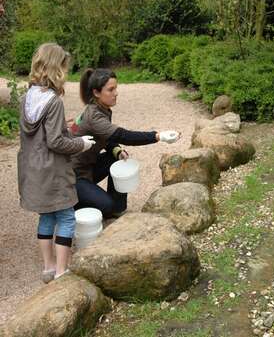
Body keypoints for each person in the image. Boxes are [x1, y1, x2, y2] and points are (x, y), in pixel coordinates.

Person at [17, 43, 95, 283]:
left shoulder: (26, 97)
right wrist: (81, 143)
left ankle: (48, 267)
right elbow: (55, 142)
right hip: (52, 171)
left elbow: (41, 134)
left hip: (32, 170)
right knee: (66, 217)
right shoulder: (53, 102)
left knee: (47, 216)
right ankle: (62, 271)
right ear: (56, 68)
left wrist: (62, 125)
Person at [71, 68, 180, 218]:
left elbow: (106, 137)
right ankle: (73, 204)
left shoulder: (101, 108)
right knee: (106, 206)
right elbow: (123, 136)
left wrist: (116, 150)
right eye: (111, 89)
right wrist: (157, 136)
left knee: (117, 158)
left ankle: (116, 208)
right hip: (72, 177)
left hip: (87, 168)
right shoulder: (94, 116)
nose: (116, 93)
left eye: (116, 88)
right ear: (96, 92)